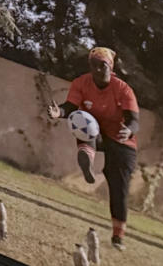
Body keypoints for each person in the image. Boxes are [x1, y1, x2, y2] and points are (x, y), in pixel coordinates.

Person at [48, 46, 140, 250]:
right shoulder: (81, 83)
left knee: (119, 189)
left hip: (122, 139)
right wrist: (59, 112)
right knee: (82, 121)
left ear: (111, 67)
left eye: (103, 65)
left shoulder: (123, 89)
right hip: (97, 134)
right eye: (93, 65)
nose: (98, 70)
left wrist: (129, 131)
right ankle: (86, 157)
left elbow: (134, 121)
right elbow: (70, 107)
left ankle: (118, 236)